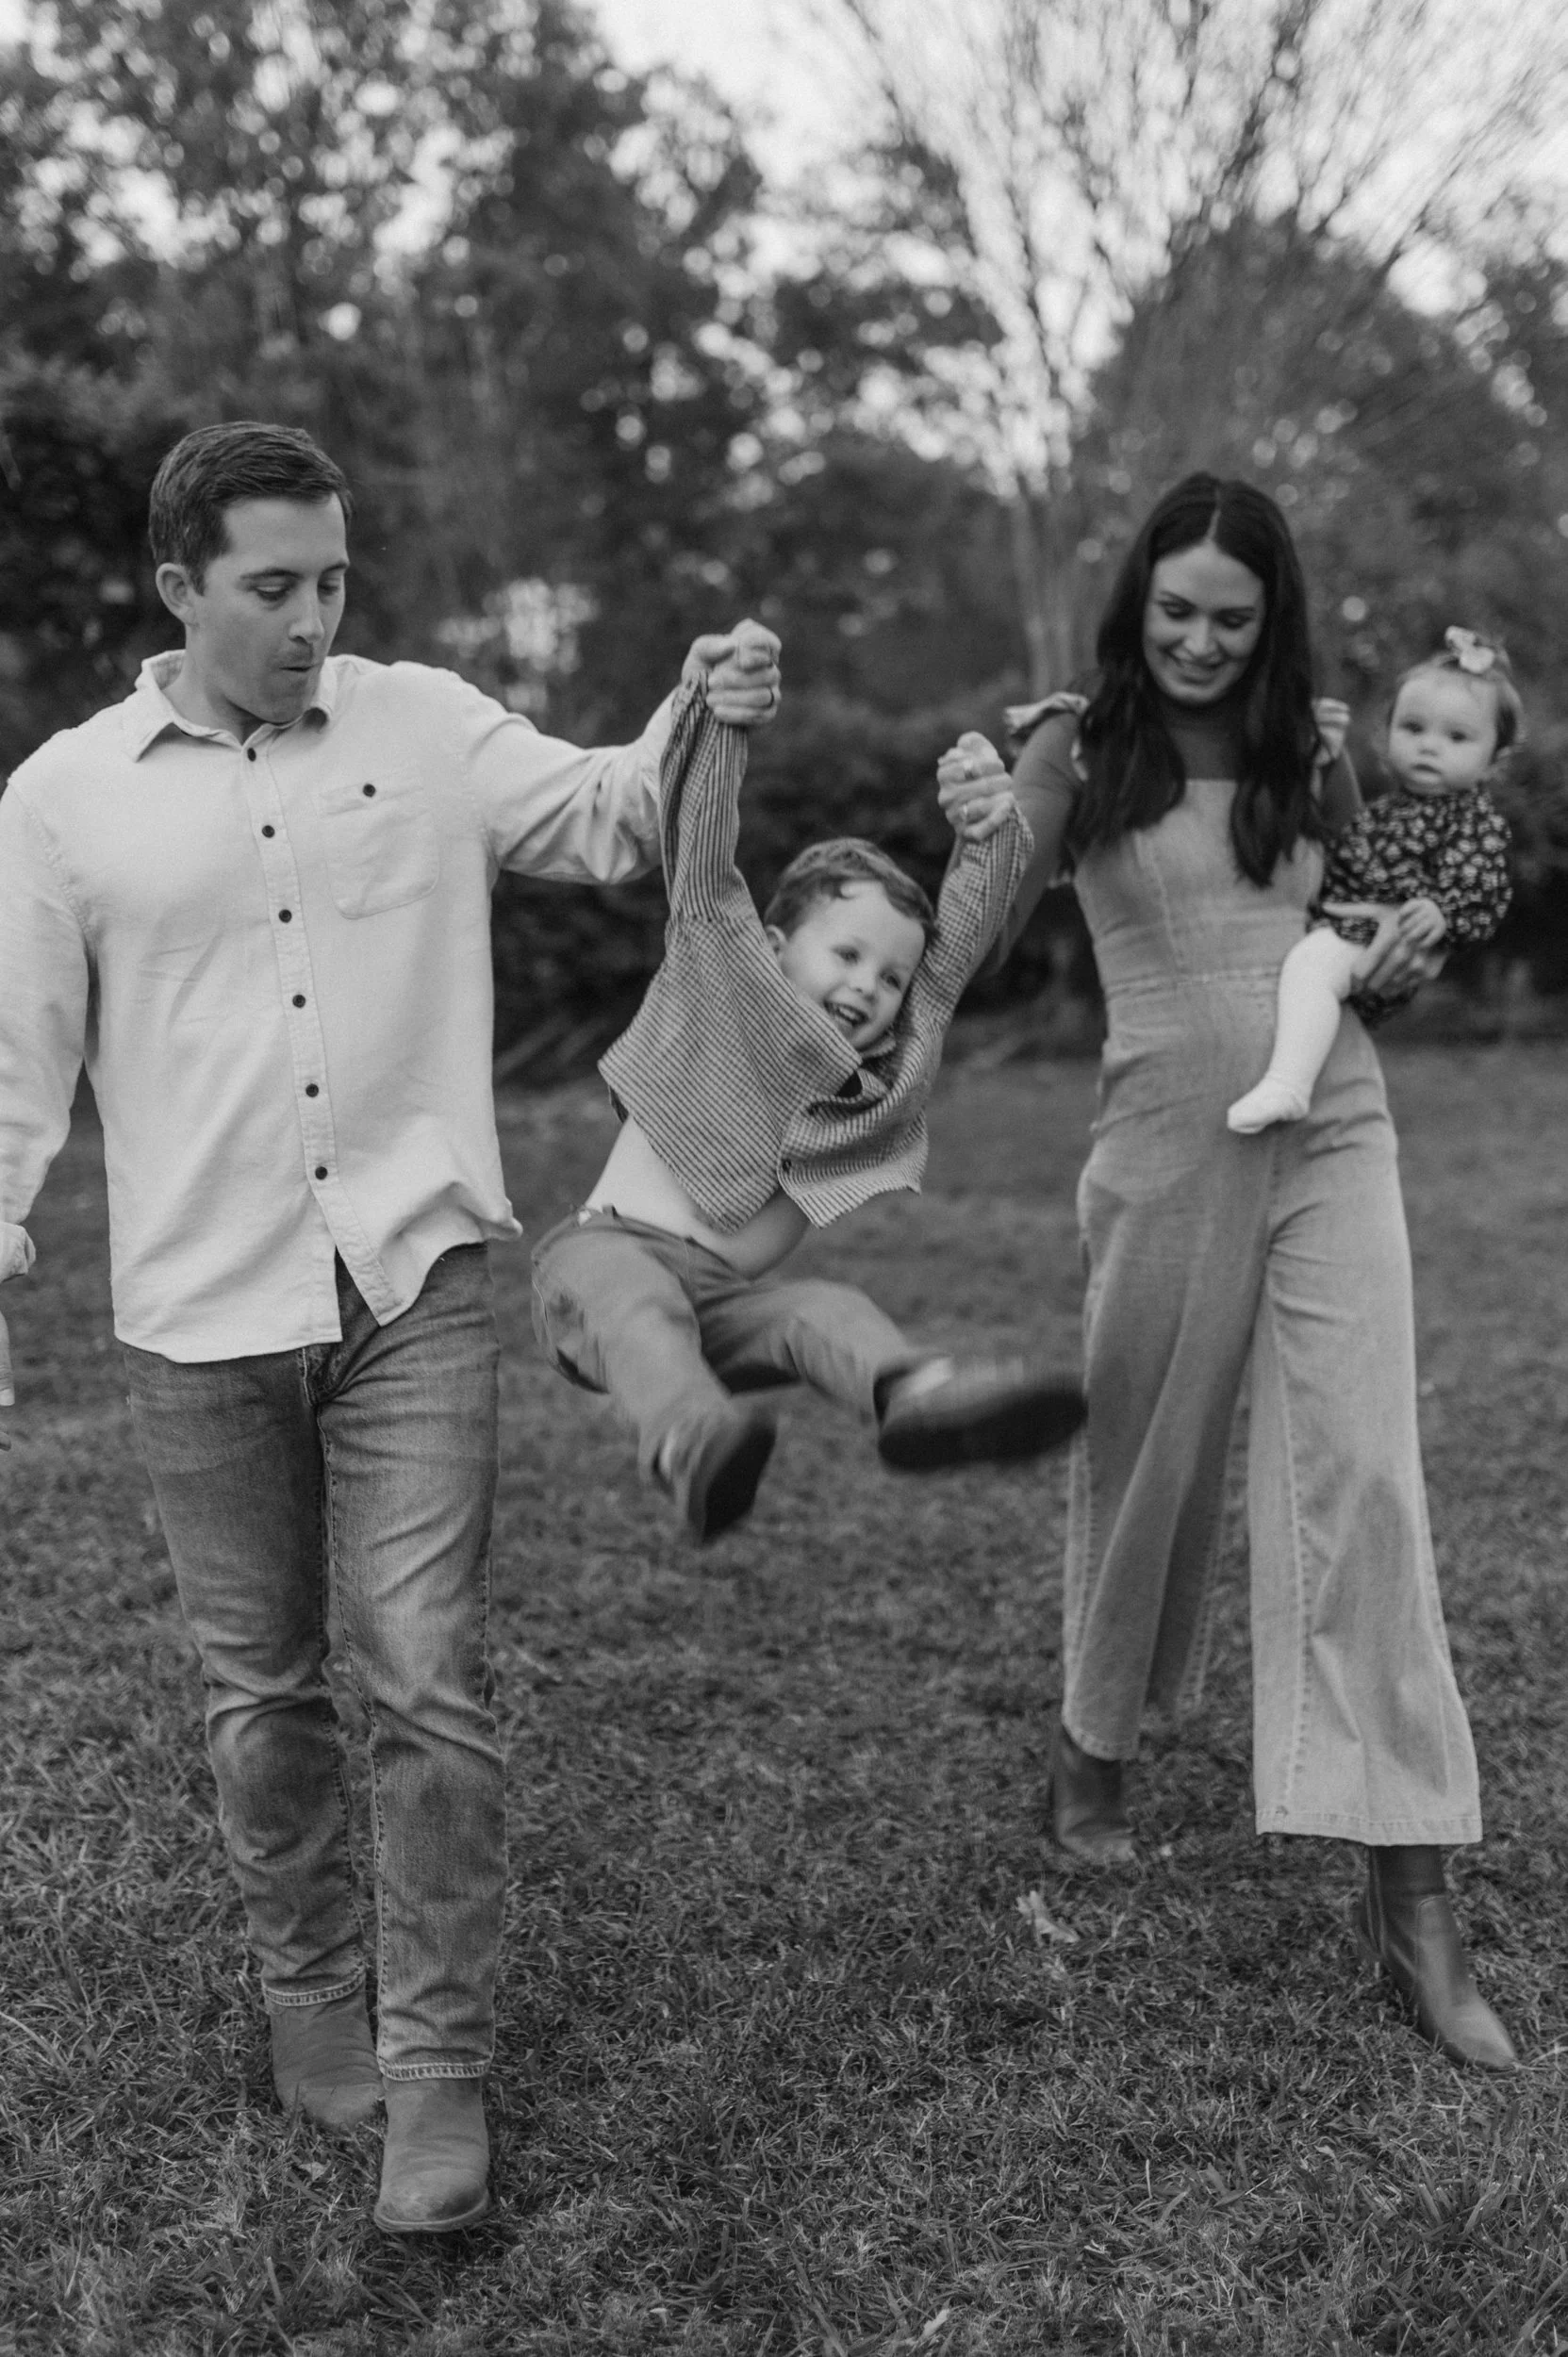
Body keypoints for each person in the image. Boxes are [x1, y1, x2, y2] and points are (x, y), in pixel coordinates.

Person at [0, 420, 784, 2233]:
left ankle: (438, 2074)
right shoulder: (62, 795)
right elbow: (21, 1050)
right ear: (178, 583)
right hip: (196, 1309)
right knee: (261, 1693)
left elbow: (609, 814)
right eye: (269, 585)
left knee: (423, 1674)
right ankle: (306, 1998)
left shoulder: (423, 724)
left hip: (412, 1279)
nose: (308, 617)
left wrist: (699, 707)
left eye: (330, 581)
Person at [946, 472, 1517, 2071]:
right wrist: (987, 821)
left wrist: (1403, 946)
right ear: (1134, 603)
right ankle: (1092, 1742)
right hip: (1159, 1146)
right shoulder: (1077, 745)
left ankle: (1410, 1900)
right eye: (1173, 610)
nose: (1197, 642)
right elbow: (980, 939)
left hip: (1331, 1132)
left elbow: (1356, 951)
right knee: (1149, 1455)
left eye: (1231, 618)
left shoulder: (1310, 753)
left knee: (1367, 1482)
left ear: (1273, 627)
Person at [531, 692, 1086, 1541]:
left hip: (721, 1305)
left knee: (819, 1306)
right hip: (599, 1262)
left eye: (890, 977)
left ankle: (914, 1395)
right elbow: (702, 855)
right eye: (848, 954)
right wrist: (722, 715)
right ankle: (687, 1438)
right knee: (641, 1305)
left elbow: (954, 959)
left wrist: (986, 829)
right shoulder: (721, 981)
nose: (870, 986)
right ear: (777, 944)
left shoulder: (870, 1082)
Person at [1227, 628, 1517, 1133]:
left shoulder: (1472, 819)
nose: (1429, 746)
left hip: (1387, 940)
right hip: (1348, 926)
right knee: (1301, 968)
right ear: (1386, 736)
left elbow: (1485, 882)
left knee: (1311, 966)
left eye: (1457, 737)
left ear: (1494, 758)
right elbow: (1341, 859)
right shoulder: (1384, 811)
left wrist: (1443, 914)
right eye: (1413, 728)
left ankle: (1289, 1085)